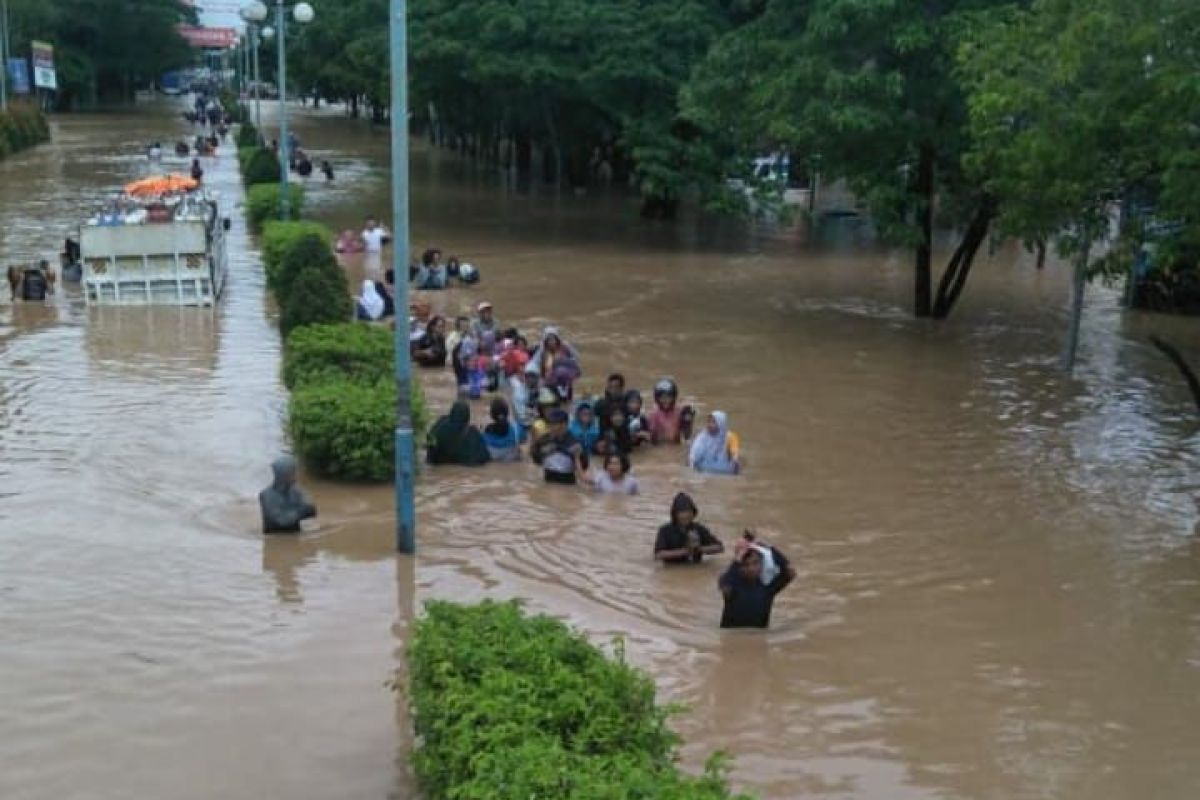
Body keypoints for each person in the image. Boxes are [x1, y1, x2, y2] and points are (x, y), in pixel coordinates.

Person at [718, 533, 795, 629]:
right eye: (745, 565)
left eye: (755, 563)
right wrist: (738, 558)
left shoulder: (768, 588)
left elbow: (791, 572)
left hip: (759, 637)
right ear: (739, 567)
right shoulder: (731, 585)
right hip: (731, 637)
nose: (751, 568)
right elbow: (725, 585)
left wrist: (770, 548)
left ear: (762, 564)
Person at [654, 493, 724, 564]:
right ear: (675, 514)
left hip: (696, 568)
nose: (686, 515)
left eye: (688, 512)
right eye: (682, 512)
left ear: (693, 513)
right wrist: (685, 551)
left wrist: (699, 549)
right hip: (672, 568)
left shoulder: (698, 528)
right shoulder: (665, 530)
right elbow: (658, 555)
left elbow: (719, 547)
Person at [259, 456, 318, 534]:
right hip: (275, 538)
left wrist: (305, 510)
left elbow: (311, 511)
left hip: (295, 534)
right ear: (283, 475)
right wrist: (301, 511)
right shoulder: (266, 495)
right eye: (293, 472)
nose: (296, 475)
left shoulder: (296, 491)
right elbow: (281, 521)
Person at [426, 401, 491, 466]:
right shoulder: (473, 434)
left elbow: (429, 447)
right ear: (467, 418)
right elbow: (485, 457)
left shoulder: (440, 426)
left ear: (451, 414)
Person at [534, 408, 585, 485]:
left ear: (565, 425)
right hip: (547, 482)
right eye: (550, 424)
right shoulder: (543, 440)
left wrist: (575, 456)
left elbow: (584, 466)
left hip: (568, 484)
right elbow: (536, 459)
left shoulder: (575, 443)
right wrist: (542, 452)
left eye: (554, 424)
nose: (551, 428)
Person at [688, 411, 741, 475]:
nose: (709, 425)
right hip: (703, 469)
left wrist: (735, 462)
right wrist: (692, 463)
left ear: (721, 424)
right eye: (708, 421)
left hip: (724, 471)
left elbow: (735, 454)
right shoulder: (702, 436)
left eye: (713, 422)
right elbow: (694, 454)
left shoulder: (731, 437)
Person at [648, 378, 695, 445]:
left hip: (676, 443)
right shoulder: (654, 414)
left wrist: (688, 420)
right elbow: (651, 437)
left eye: (668, 397)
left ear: (674, 397)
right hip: (660, 444)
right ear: (657, 398)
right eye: (662, 398)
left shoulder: (679, 411)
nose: (665, 400)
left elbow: (687, 437)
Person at [482, 397, 522, 462]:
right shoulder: (517, 429)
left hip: (493, 461)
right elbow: (524, 439)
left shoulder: (486, 431)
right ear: (507, 413)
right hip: (511, 460)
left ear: (492, 415)